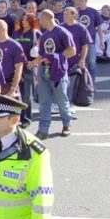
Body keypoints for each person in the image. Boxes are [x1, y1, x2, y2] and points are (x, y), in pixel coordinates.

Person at [33, 10, 75, 139]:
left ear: (46, 18)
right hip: (44, 71)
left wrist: (55, 58)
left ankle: (66, 124)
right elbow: (41, 54)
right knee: (44, 101)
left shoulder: (62, 32)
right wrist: (36, 70)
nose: (39, 22)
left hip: (58, 71)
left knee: (61, 99)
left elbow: (72, 51)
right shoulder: (44, 36)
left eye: (40, 19)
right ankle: (43, 129)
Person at [12, 13, 42, 128]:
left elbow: (41, 51)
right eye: (22, 20)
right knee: (14, 92)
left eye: (26, 20)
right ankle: (15, 117)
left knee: (26, 94)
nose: (23, 22)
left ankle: (26, 118)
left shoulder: (36, 33)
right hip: (16, 66)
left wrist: (34, 63)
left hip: (29, 67)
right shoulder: (16, 32)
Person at [0, 20, 26, 98]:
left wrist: (13, 89)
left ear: (3, 30)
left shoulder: (15, 46)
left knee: (9, 110)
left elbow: (19, 69)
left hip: (8, 85)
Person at [75, 0, 102, 82]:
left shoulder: (93, 12)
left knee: (92, 62)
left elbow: (99, 27)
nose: (80, 3)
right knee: (78, 63)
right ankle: (80, 84)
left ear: (86, 1)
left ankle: (92, 83)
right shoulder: (74, 12)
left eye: (82, 1)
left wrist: (101, 41)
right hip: (77, 42)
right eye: (78, 1)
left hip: (90, 42)